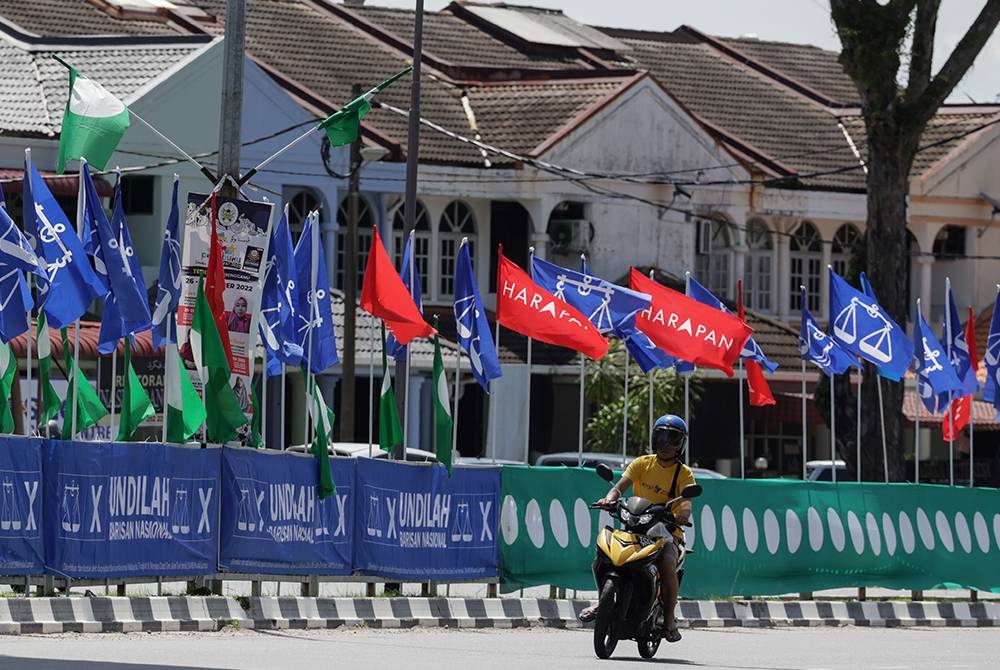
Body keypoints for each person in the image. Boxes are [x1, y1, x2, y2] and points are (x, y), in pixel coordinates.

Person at [579, 414, 696, 643]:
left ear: (680, 444)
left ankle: (670, 618)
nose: (665, 445)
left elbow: (686, 505)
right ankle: (602, 601)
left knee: (668, 562)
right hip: (635, 526)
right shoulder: (642, 463)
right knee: (602, 556)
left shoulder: (684, 474)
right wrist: (609, 498)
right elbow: (619, 487)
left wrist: (682, 516)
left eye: (672, 439)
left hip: (667, 533)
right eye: (661, 438)